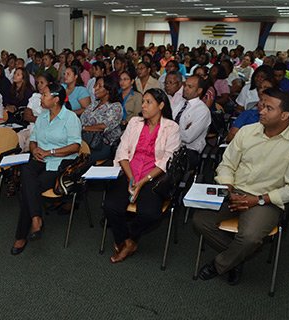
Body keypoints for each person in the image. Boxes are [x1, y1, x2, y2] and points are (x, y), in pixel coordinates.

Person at [193, 88, 289, 285]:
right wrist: (228, 189)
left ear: (285, 115)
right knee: (200, 220)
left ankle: (221, 264)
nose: (261, 111)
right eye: (262, 105)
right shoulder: (247, 132)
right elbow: (227, 164)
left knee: (250, 237)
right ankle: (236, 258)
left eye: (269, 108)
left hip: (266, 199)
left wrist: (258, 199)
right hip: (234, 192)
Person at [103, 88, 181, 263]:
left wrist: (142, 182)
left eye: (148, 102)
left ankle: (129, 240)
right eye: (143, 101)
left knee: (150, 214)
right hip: (130, 172)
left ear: (161, 105)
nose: (143, 105)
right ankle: (123, 240)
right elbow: (122, 151)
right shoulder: (135, 123)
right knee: (110, 206)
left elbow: (166, 161)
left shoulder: (171, 127)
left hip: (153, 178)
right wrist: (131, 179)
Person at [10, 83, 82, 255]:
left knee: (27, 190)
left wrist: (51, 151)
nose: (41, 97)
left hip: (61, 162)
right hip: (40, 158)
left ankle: (21, 236)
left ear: (56, 99)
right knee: (26, 170)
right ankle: (36, 219)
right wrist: (34, 149)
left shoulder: (71, 118)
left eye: (44, 95)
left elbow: (75, 146)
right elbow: (34, 139)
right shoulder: (42, 117)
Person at [173, 75, 211, 168]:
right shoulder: (180, 103)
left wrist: (170, 130)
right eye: (185, 85)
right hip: (172, 145)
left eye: (190, 87)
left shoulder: (202, 111)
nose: (185, 88)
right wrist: (182, 128)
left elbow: (188, 137)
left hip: (188, 152)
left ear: (199, 91)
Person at [81, 76, 122, 162]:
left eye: (99, 86)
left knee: (83, 160)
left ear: (108, 90)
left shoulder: (115, 107)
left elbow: (104, 126)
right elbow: (82, 119)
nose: (95, 88)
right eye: (96, 85)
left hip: (102, 145)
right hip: (86, 141)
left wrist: (84, 128)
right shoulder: (94, 104)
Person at [17, 72, 53, 152]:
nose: (39, 85)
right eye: (37, 83)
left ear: (50, 84)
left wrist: (34, 118)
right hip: (31, 127)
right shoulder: (35, 96)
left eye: (42, 83)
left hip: (44, 131)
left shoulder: (53, 99)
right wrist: (40, 119)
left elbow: (49, 119)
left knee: (29, 144)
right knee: (17, 137)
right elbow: (26, 116)